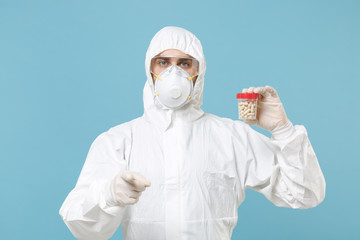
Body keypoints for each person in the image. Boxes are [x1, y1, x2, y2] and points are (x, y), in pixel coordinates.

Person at [59, 26, 326, 240]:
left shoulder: (232, 137)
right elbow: (82, 229)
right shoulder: (118, 141)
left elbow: (305, 194)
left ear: (198, 71)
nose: (173, 72)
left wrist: (283, 131)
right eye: (163, 62)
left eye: (184, 63)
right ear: (150, 70)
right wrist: (107, 193)